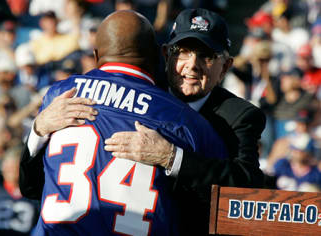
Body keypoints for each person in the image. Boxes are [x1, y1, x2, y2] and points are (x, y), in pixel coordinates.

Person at [22, 8, 267, 235]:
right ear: (165, 55)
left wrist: (172, 158)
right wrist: (38, 130)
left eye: (207, 56)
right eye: (183, 52)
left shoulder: (241, 116)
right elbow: (33, 187)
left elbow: (246, 194)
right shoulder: (148, 95)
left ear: (225, 67)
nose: (192, 65)